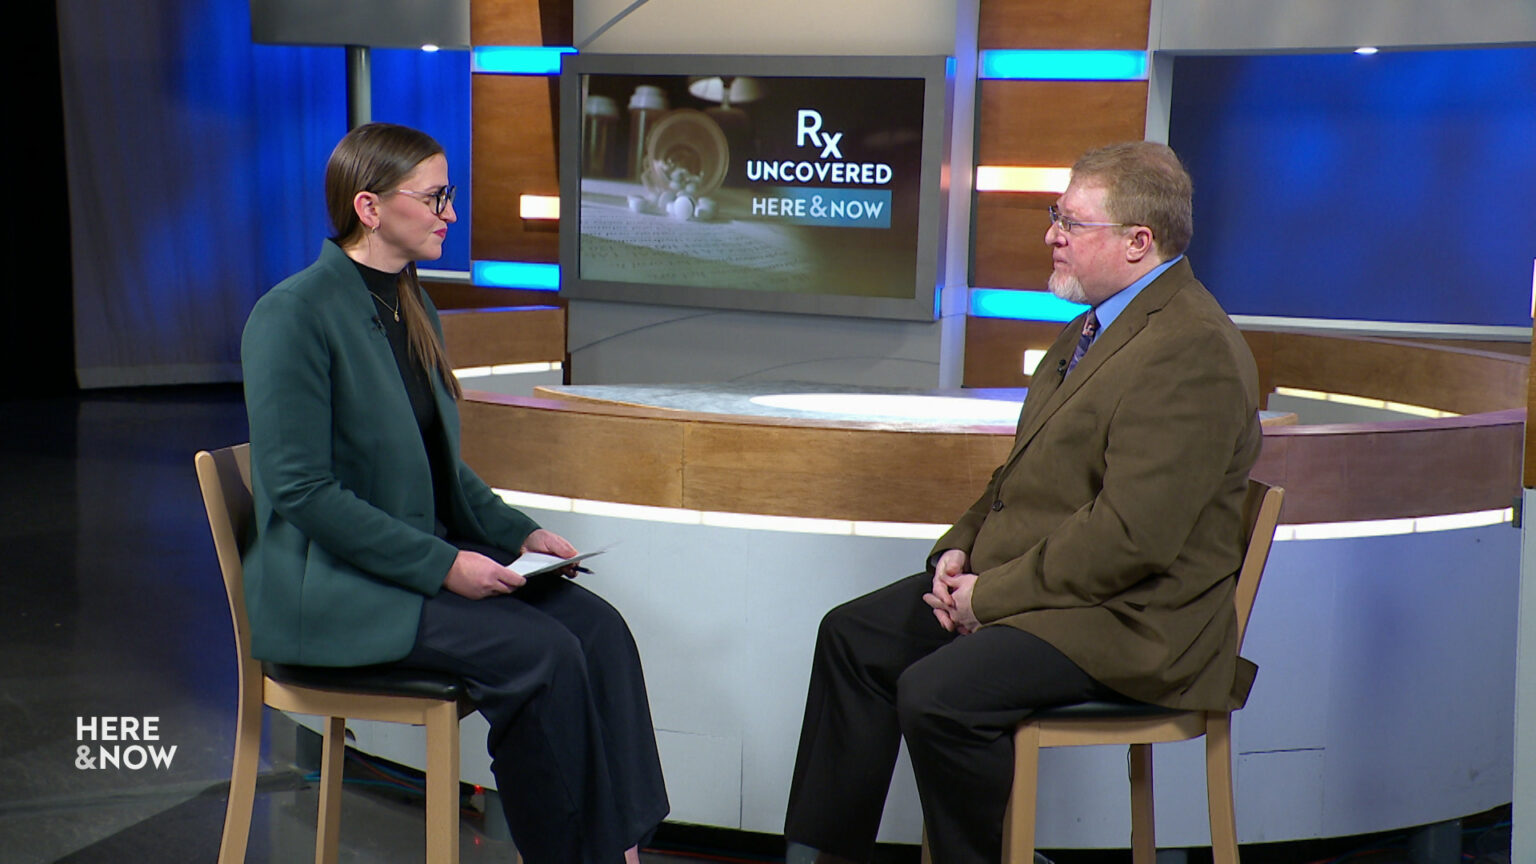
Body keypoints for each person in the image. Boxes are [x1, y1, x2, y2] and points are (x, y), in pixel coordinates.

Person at [782, 141, 1261, 863]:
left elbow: (1131, 537)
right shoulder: (1094, 327)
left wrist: (990, 597)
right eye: (1054, 215)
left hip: (1133, 620)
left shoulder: (1190, 350)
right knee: (854, 637)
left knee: (939, 694)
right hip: (1053, 591)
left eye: (1072, 222)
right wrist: (958, 549)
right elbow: (1020, 477)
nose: (1051, 236)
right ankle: (825, 856)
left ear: (1140, 242)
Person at [241, 122, 668, 863]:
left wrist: (517, 534)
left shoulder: (411, 306)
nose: (450, 213)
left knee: (598, 631)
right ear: (369, 208)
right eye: (435, 196)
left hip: (407, 563)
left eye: (450, 195)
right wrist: (445, 566)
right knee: (542, 654)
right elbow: (303, 492)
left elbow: (441, 469)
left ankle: (620, 850)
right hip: (332, 589)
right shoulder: (293, 314)